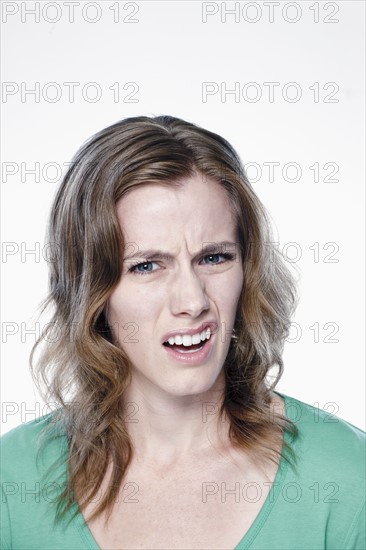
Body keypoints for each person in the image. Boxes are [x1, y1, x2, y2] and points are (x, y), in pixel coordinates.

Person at [1, 115, 364, 550]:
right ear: (92, 289)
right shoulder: (12, 482)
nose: (192, 302)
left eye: (214, 258)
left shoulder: (346, 480)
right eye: (147, 266)